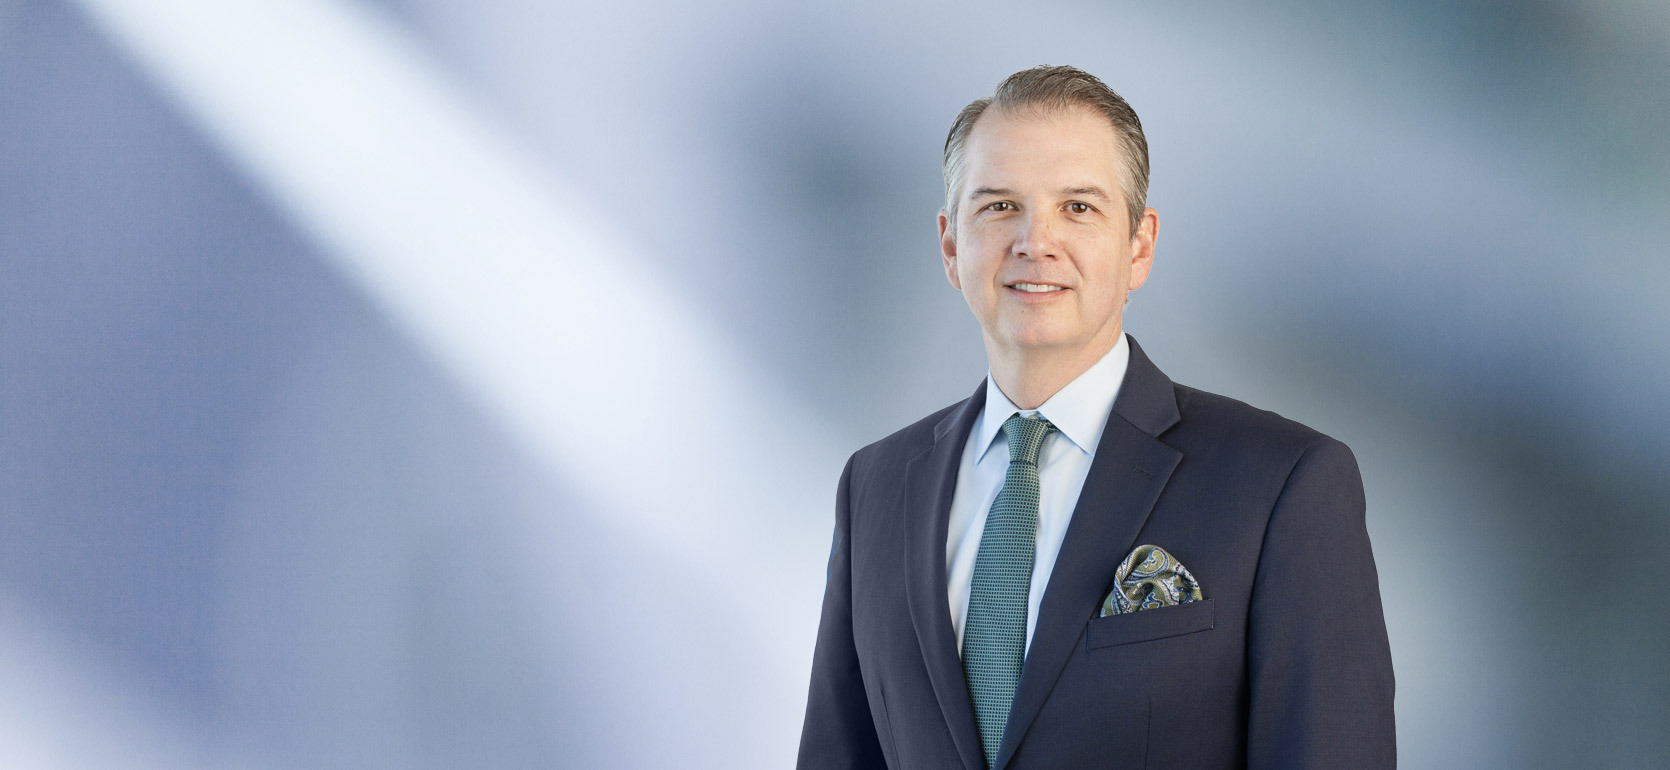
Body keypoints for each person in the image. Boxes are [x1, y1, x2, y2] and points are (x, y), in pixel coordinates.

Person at [796, 65, 1396, 769]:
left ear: (1139, 245)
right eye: (999, 206)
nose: (1035, 241)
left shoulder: (1280, 486)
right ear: (951, 246)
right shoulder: (875, 487)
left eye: (1078, 207)